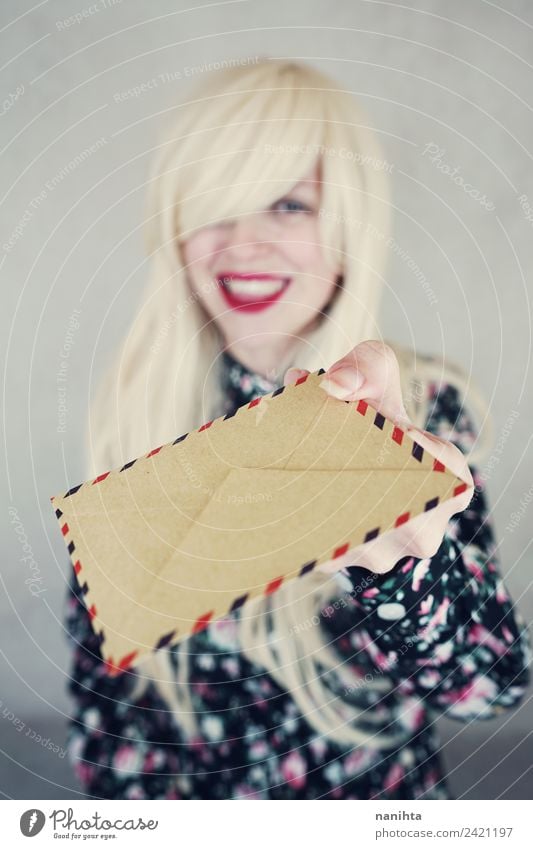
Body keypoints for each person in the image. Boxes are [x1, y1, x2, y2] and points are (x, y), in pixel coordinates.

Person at [63, 58, 530, 800]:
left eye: (288, 205)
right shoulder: (135, 418)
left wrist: (403, 569)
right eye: (216, 206)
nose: (243, 243)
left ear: (347, 224)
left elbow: (489, 692)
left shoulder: (422, 408)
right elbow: (107, 726)